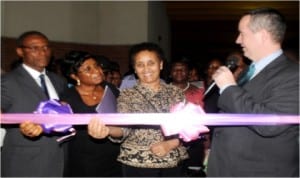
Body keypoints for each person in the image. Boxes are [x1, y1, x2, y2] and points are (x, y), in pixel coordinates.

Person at [208, 7, 299, 177]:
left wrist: (229, 87)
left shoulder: (294, 75)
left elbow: (271, 124)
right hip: (228, 167)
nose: (237, 40)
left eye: (242, 33)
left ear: (262, 35)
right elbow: (236, 110)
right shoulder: (249, 71)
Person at [88, 42, 188, 177]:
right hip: (137, 164)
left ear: (161, 64)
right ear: (134, 68)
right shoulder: (126, 95)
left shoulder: (176, 93)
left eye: (151, 63)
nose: (146, 69)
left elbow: (188, 129)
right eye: (140, 64)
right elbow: (123, 129)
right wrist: (107, 130)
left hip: (172, 163)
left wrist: (170, 144)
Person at [1, 31, 67, 176]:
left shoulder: (58, 81)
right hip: (24, 160)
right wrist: (22, 125)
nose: (43, 52)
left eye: (45, 47)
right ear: (20, 51)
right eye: (34, 48)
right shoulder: (7, 82)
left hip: (58, 157)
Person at [60, 50, 122, 177]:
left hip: (114, 157)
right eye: (88, 69)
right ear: (74, 76)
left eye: (96, 65)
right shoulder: (68, 98)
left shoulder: (110, 89)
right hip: (84, 161)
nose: (97, 71)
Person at [169, 59, 206, 176]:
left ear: (188, 72)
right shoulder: (162, 91)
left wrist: (207, 144)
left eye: (183, 69)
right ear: (170, 72)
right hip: (169, 142)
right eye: (175, 69)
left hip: (195, 143)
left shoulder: (199, 92)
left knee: (193, 173)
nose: (179, 72)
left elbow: (206, 118)